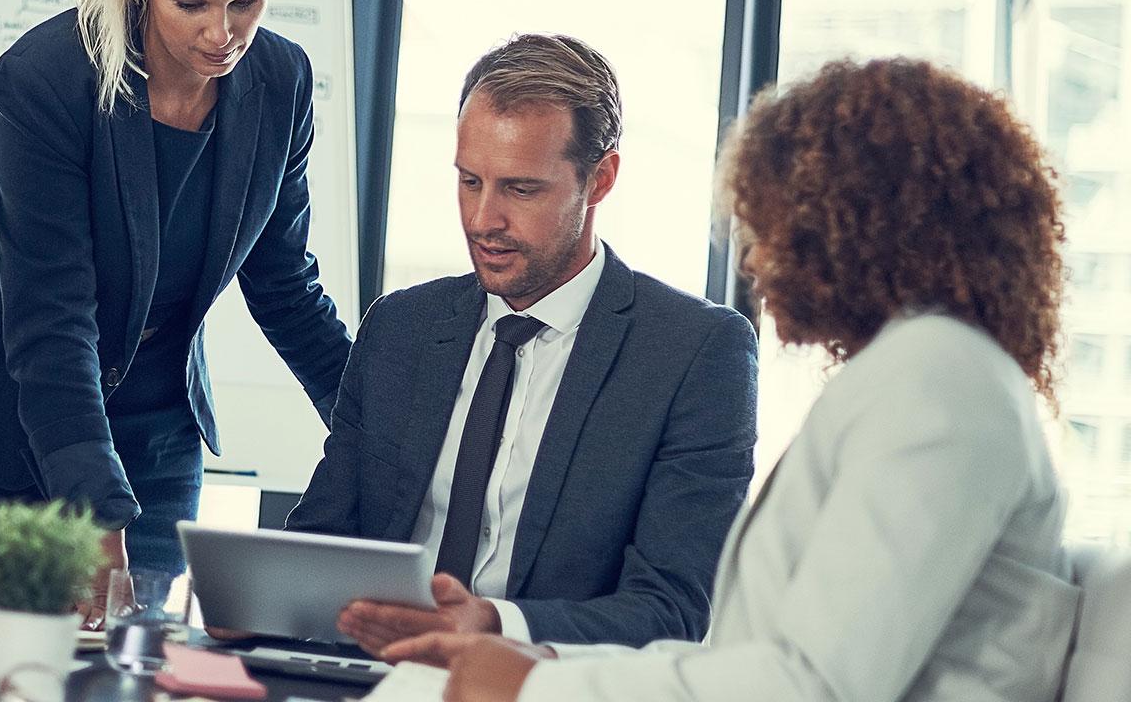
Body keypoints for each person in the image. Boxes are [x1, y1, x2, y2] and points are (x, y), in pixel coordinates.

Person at [386, 58, 1078, 702]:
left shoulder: (940, 384)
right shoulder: (924, 372)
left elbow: (812, 686)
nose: (759, 261)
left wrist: (532, 689)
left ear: (860, 228)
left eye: (778, 226)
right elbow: (754, 661)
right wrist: (545, 665)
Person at [0, 0, 353, 606]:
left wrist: (379, 427)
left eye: (247, 0)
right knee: (5, 661)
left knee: (132, 661)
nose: (224, 32)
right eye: (192, 3)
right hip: (14, 410)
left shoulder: (280, 81)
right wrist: (94, 511)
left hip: (159, 424)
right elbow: (53, 318)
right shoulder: (48, 77)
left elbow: (285, 283)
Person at [283, 34, 757, 650]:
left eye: (520, 189)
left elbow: (671, 611)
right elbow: (324, 539)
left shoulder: (695, 354)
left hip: (541, 684)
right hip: (370, 677)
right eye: (469, 181)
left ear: (601, 178)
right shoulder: (400, 327)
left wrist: (495, 626)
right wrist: (262, 600)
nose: (483, 219)